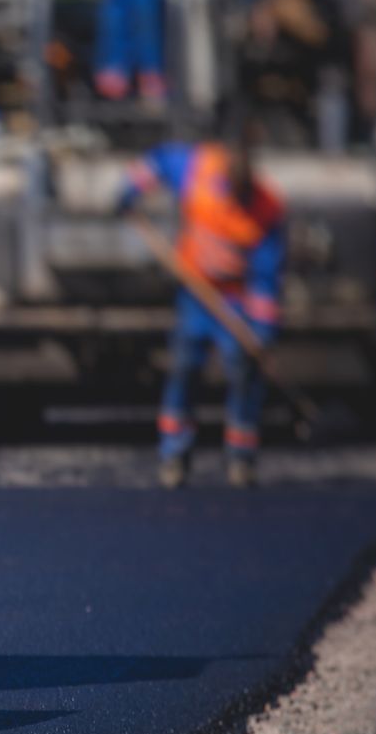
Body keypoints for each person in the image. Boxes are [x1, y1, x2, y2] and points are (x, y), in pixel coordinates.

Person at [118, 122, 286, 489]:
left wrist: (262, 331)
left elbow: (267, 275)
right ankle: (174, 454)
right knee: (184, 368)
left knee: (243, 371)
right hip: (196, 294)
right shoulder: (198, 170)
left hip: (236, 299)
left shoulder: (266, 208)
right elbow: (159, 162)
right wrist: (131, 189)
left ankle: (241, 458)